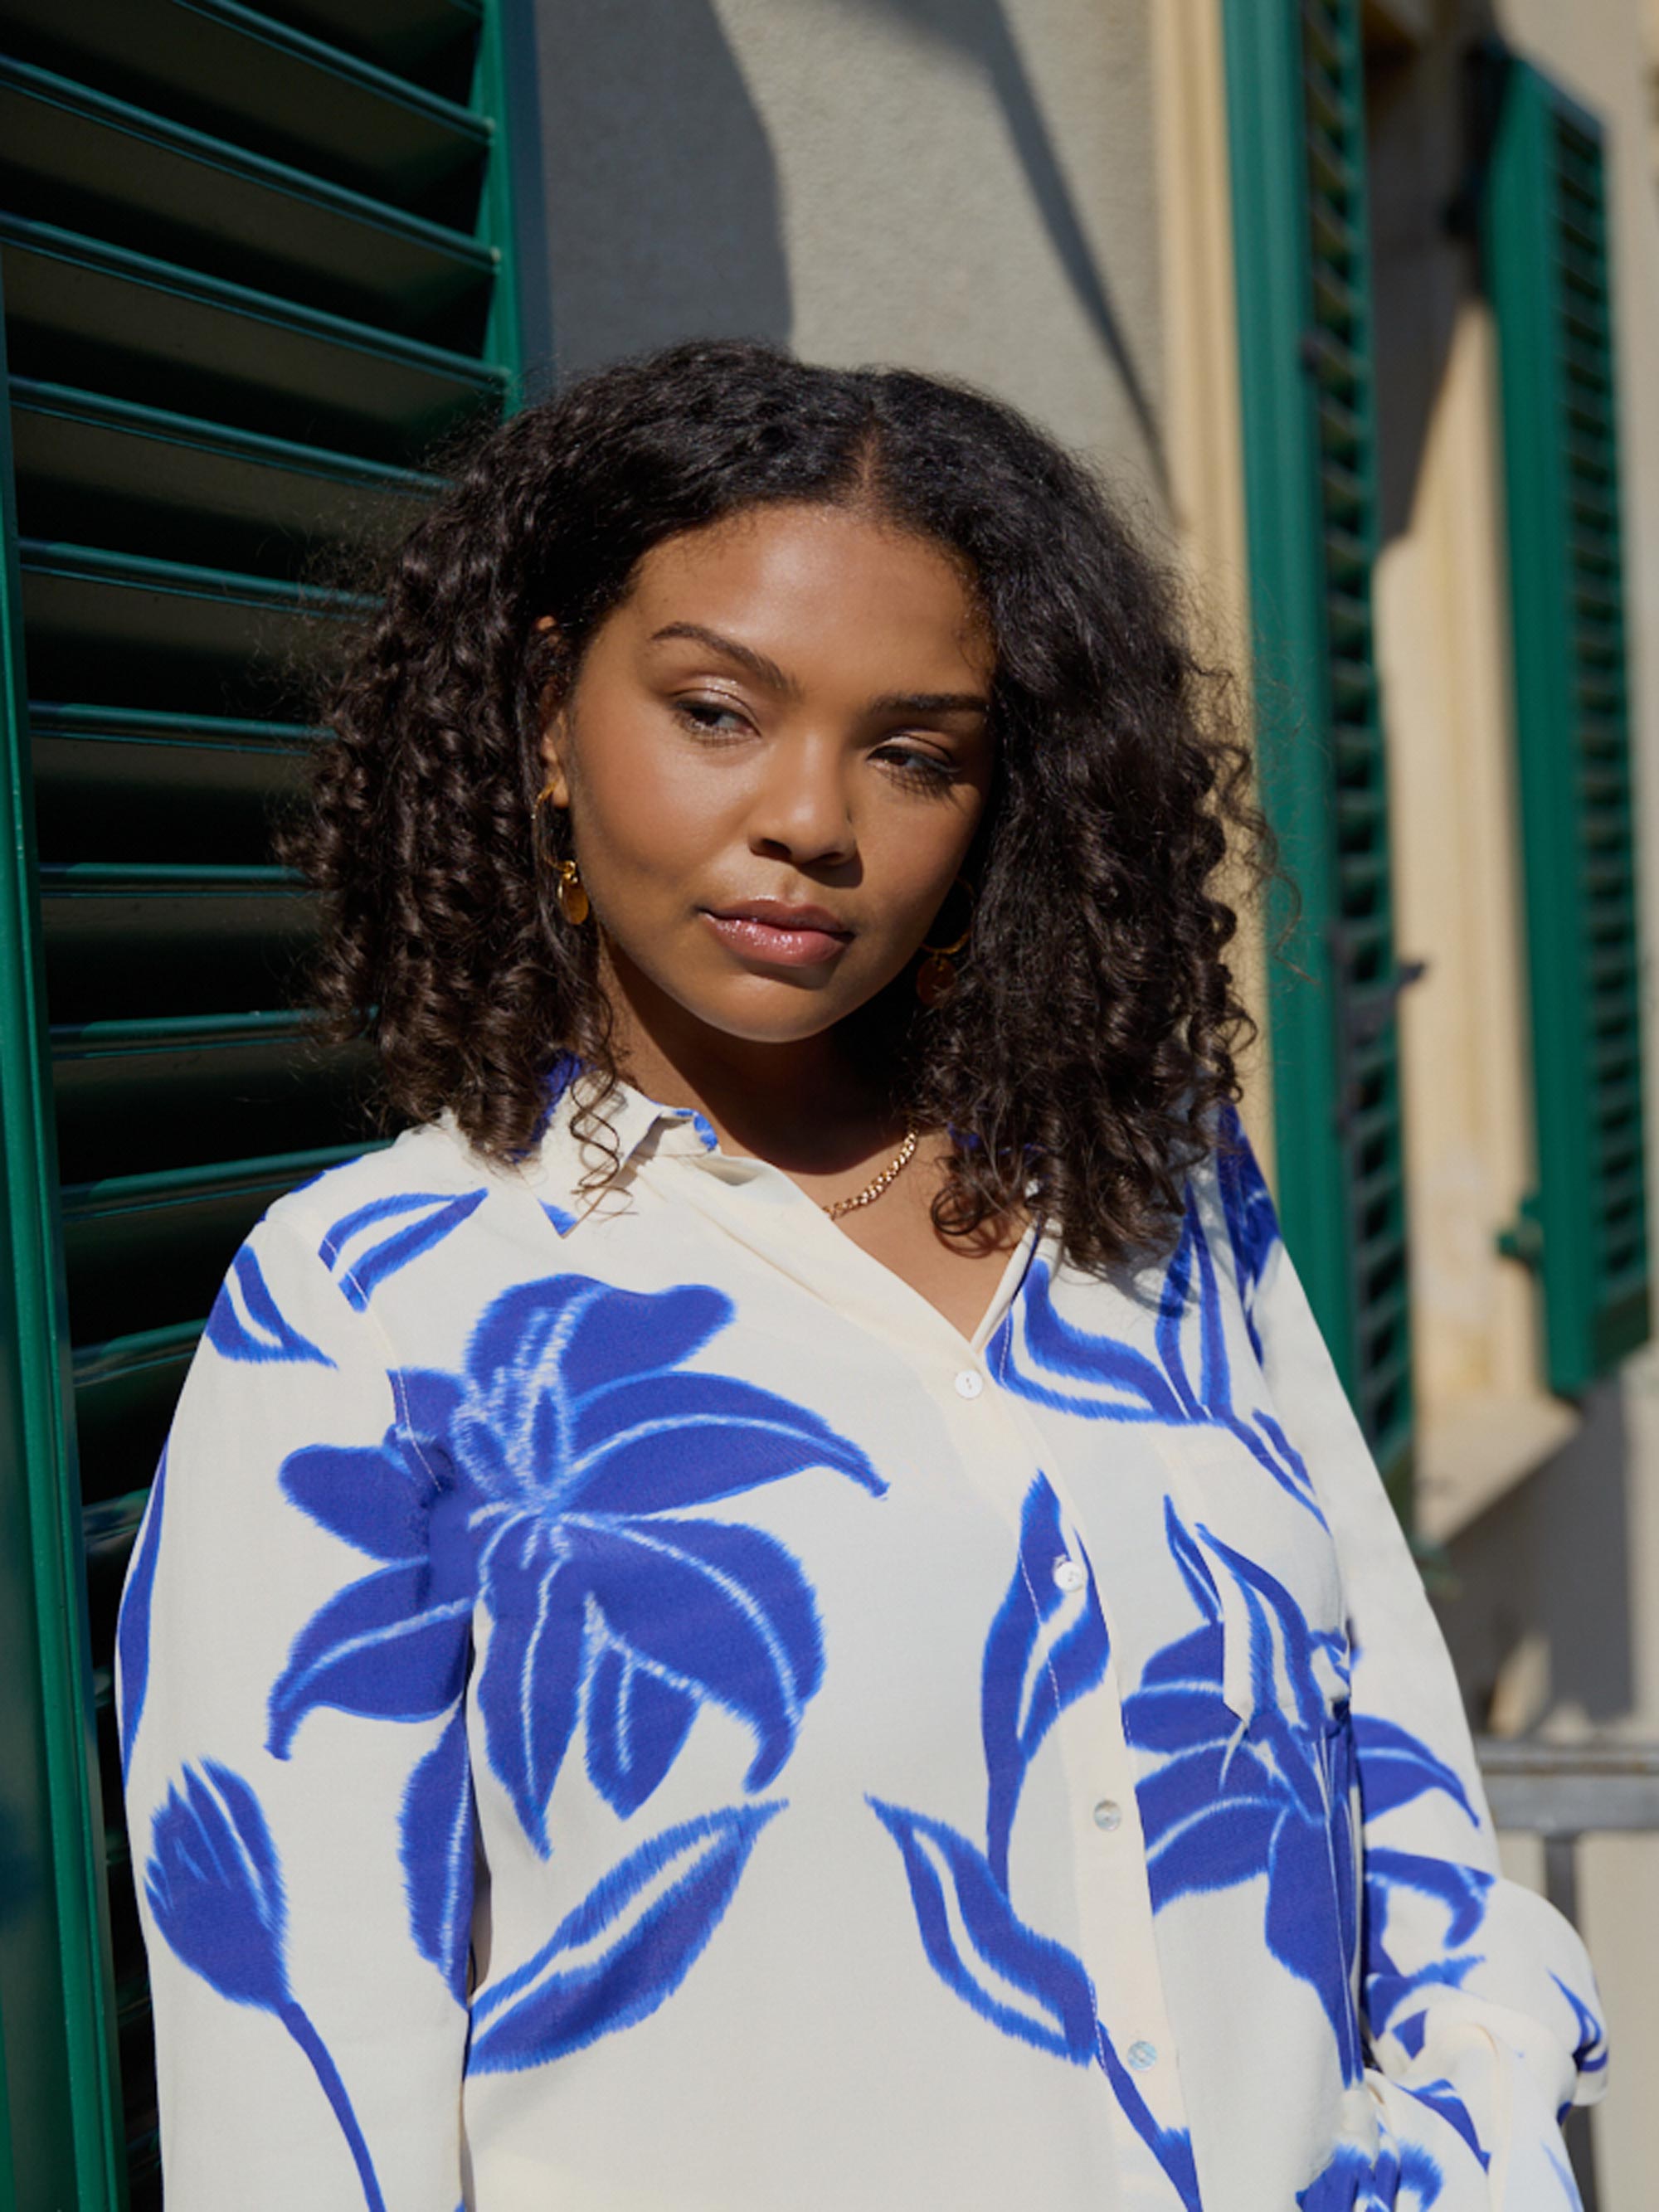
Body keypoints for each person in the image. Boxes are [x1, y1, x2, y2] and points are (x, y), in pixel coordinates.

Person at [117, 339, 1606, 2211]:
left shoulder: (1149, 1185)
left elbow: (1386, 1737)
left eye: (914, 753)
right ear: (546, 719)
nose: (813, 818)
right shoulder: (370, 1311)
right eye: (718, 711)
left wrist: (1477, 2130)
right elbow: (296, 2102)